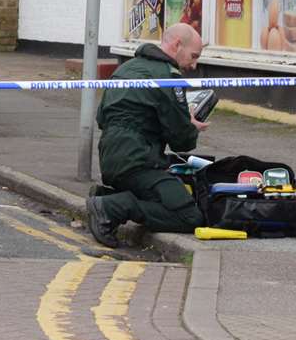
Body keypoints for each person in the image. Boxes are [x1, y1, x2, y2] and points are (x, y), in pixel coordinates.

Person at [85, 23, 207, 248]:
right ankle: (110, 207)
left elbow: (102, 117)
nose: (194, 64)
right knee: (189, 215)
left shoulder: (126, 69)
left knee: (160, 191)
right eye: (193, 55)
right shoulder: (168, 77)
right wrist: (190, 125)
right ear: (178, 45)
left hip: (110, 157)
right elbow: (182, 140)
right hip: (138, 161)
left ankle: (107, 196)